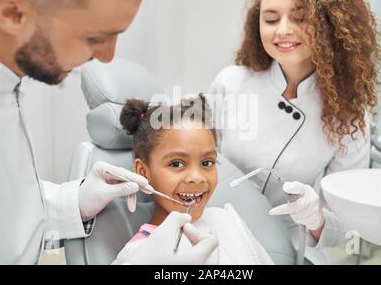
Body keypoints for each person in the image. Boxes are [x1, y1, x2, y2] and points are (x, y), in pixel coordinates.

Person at [0, 0, 216, 265]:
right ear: (12, 13)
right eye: (95, 37)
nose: (107, 57)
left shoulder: (2, 85)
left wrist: (73, 202)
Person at [208, 0, 381, 264]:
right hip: (213, 230)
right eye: (271, 19)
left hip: (286, 248)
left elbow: (345, 229)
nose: (283, 29)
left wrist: (316, 218)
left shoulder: (348, 117)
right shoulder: (230, 83)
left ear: (329, 24)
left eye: (301, 18)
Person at [113, 95, 274, 265]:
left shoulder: (224, 220)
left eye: (207, 162)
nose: (197, 178)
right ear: (143, 172)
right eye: (176, 164)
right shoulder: (139, 254)